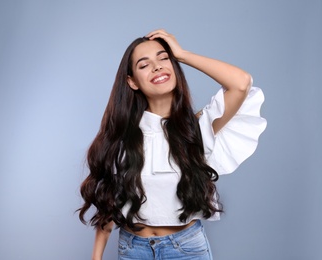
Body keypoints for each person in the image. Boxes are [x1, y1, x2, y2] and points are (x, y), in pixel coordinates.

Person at [78, 29, 267, 260]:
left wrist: (182, 54)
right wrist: (96, 257)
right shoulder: (122, 136)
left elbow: (241, 83)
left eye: (163, 58)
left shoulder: (196, 128)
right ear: (132, 81)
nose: (157, 67)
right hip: (133, 249)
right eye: (144, 65)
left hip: (185, 249)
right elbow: (110, 201)